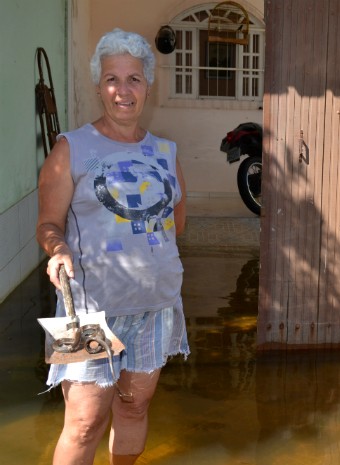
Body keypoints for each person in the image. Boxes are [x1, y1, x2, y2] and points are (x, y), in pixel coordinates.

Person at [36, 28, 189, 465]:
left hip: (156, 306)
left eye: (134, 79)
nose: (123, 90)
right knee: (83, 422)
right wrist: (57, 249)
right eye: (111, 79)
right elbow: (49, 222)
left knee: (134, 406)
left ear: (147, 86)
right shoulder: (71, 148)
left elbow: (176, 223)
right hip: (86, 309)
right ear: (99, 85)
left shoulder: (165, 151)